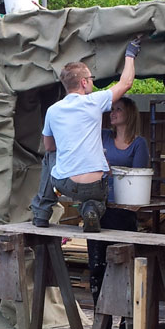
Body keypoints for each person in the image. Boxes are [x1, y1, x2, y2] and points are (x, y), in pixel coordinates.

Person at [37, 38, 140, 233]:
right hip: (95, 183)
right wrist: (130, 53)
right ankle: (91, 208)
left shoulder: (53, 110)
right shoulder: (95, 101)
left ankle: (41, 212)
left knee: (50, 157)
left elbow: (49, 147)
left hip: (65, 183)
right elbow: (126, 83)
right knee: (97, 198)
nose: (92, 82)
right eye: (91, 79)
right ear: (84, 82)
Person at [86, 96, 150, 329]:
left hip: (123, 211)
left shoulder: (138, 144)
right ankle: (101, 325)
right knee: (96, 266)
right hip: (98, 207)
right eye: (111, 109)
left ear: (129, 114)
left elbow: (137, 176)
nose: (112, 113)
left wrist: (112, 171)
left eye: (118, 109)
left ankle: (126, 325)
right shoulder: (103, 136)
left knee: (123, 267)